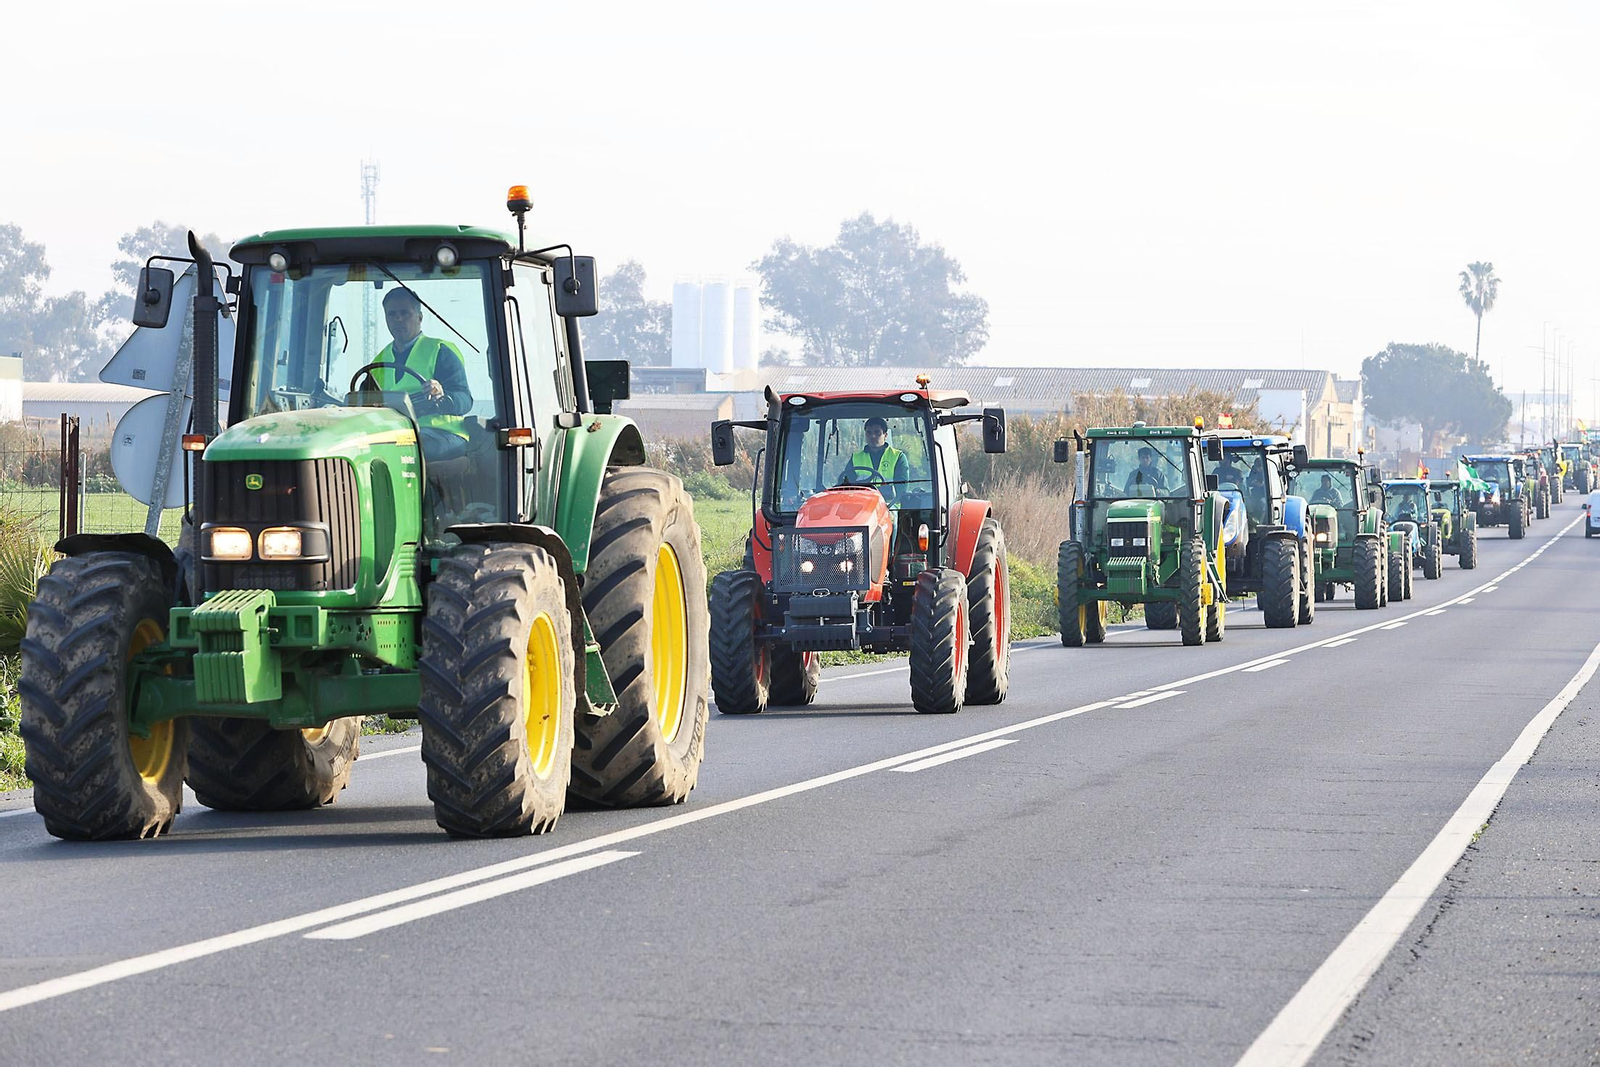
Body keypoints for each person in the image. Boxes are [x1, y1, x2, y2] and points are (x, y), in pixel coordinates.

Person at [370, 287, 474, 462]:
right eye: (392, 314)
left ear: (419, 317)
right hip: (398, 434)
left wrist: (442, 397)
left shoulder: (440, 351)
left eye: (405, 313)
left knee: (408, 449)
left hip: (444, 435)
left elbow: (465, 399)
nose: (398, 319)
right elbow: (365, 402)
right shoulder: (378, 362)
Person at [839, 416, 910, 502]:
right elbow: (845, 486)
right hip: (862, 505)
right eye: (869, 433)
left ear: (885, 435)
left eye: (877, 433)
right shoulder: (855, 458)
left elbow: (901, 489)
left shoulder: (898, 457)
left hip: (890, 506)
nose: (873, 436)